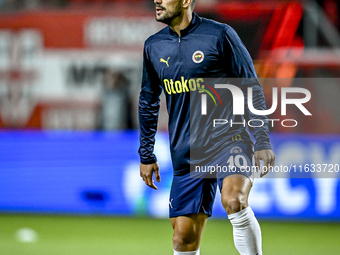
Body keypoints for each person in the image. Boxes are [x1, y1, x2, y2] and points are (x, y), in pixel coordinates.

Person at [138, 0, 275, 254]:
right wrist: (146, 154)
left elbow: (251, 85)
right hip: (186, 150)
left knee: (234, 201)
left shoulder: (220, 35)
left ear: (186, 1)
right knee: (183, 239)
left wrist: (262, 139)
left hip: (229, 139)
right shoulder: (154, 46)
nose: (157, 0)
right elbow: (148, 101)